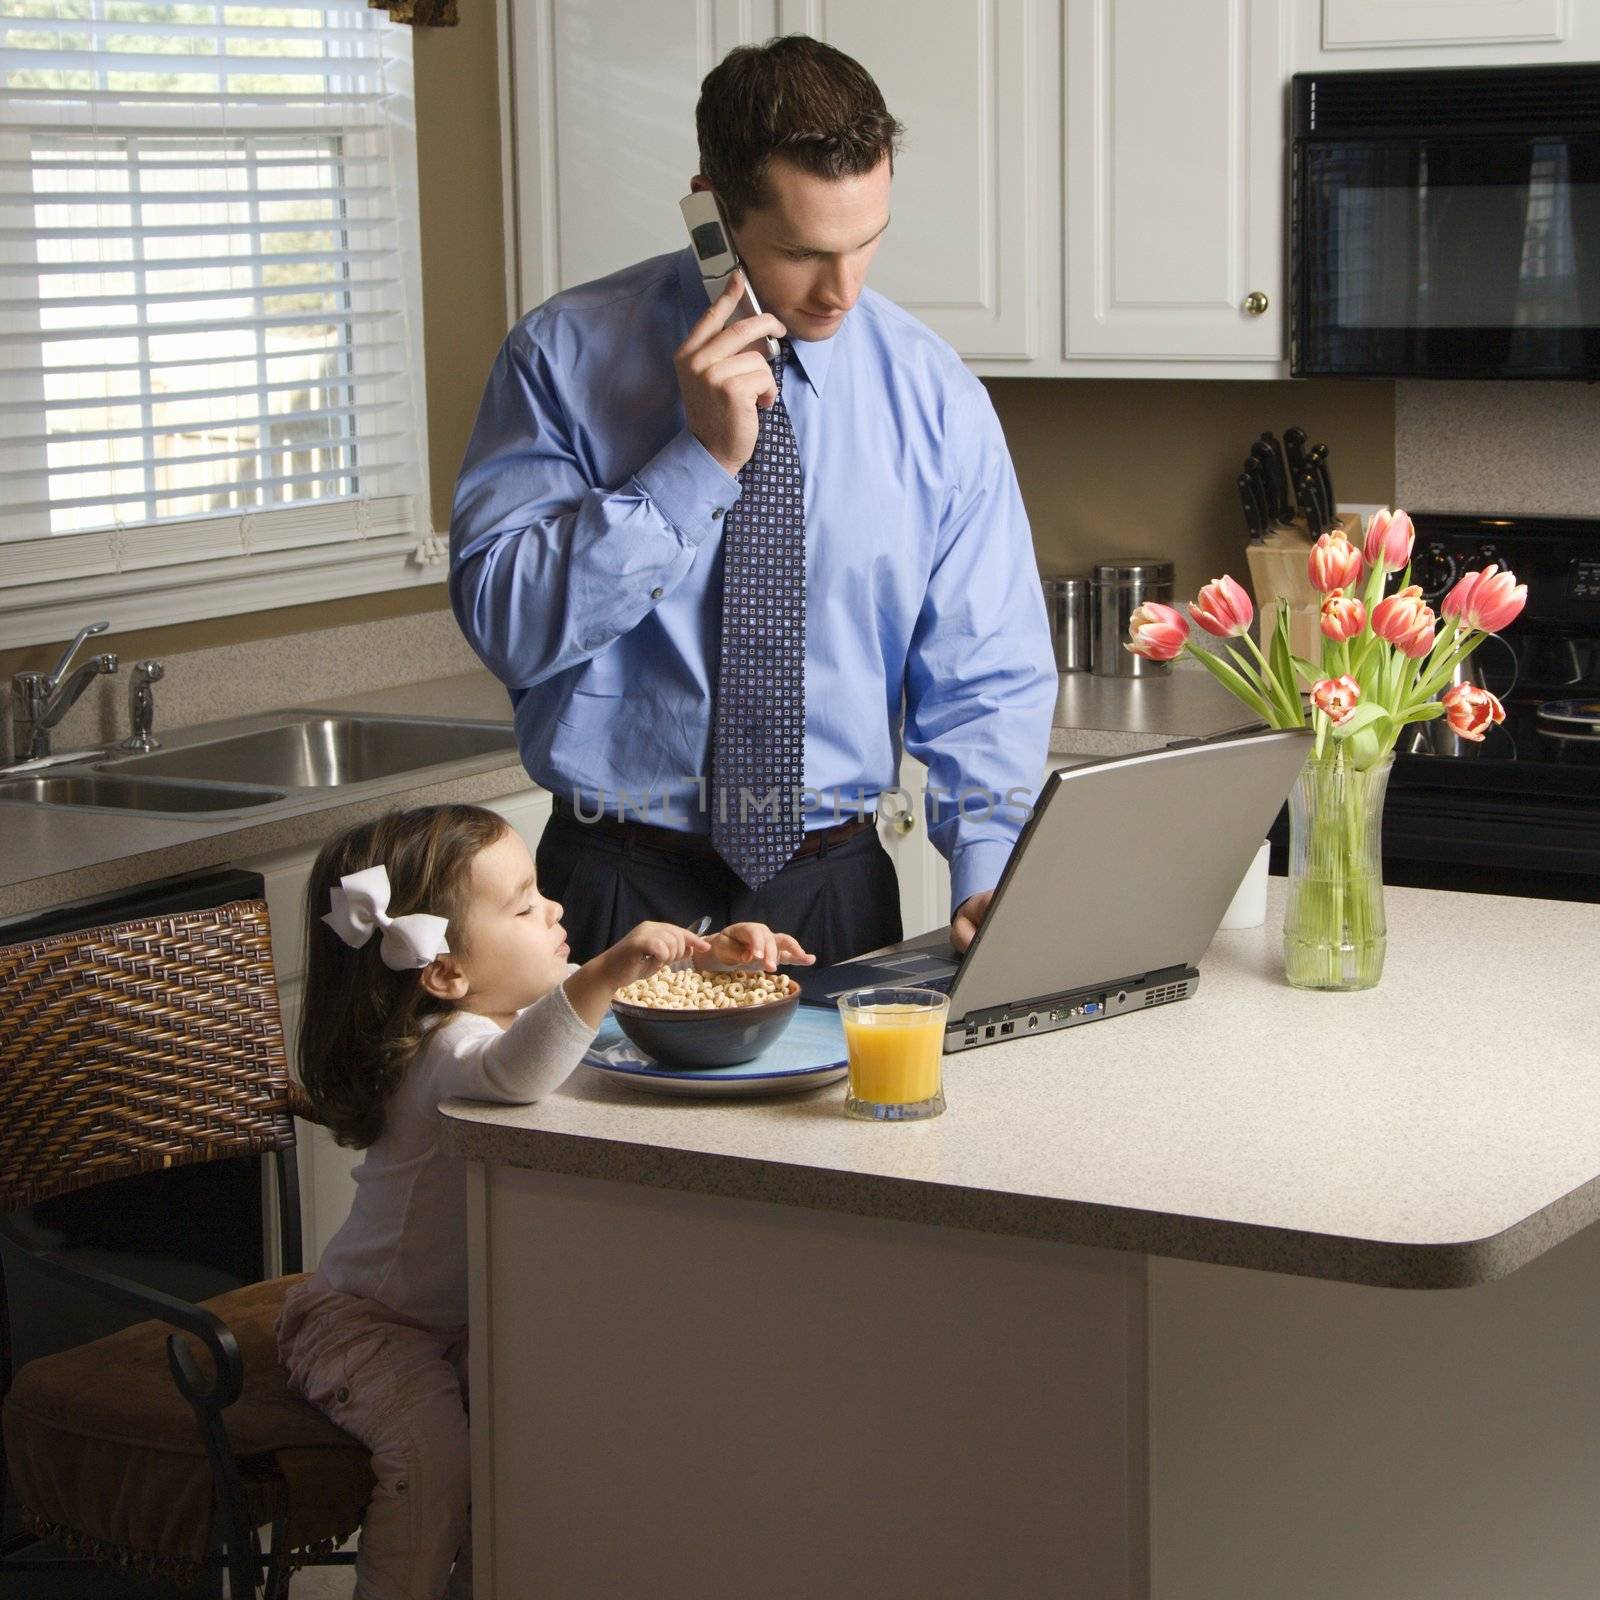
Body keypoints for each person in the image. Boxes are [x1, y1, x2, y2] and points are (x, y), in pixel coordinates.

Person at [450, 34, 1055, 967]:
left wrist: (990, 865)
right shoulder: (559, 360)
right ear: (713, 208)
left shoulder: (937, 397)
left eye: (867, 242)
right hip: (610, 888)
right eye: (804, 252)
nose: (843, 290)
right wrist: (695, 462)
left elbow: (988, 677)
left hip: (835, 891)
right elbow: (506, 625)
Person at [275, 802, 812, 1600]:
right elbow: (521, 1068)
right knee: (432, 1461)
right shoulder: (446, 1047)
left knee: (538, 1438)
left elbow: (587, 1004)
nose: (554, 908)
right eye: (525, 905)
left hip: (460, 1321)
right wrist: (605, 970)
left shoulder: (507, 1006)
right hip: (367, 1326)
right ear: (446, 974)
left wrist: (718, 958)